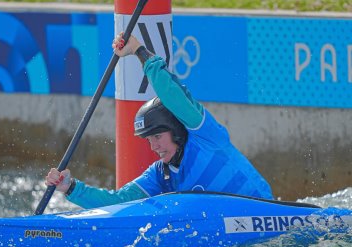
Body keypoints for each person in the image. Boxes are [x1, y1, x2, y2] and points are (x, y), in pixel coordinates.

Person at [45, 33, 274, 209]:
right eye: (148, 139)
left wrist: (137, 50)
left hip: (269, 216)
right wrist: (71, 188)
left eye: (157, 136)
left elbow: (171, 92)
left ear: (175, 130)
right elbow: (118, 202)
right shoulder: (160, 175)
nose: (153, 146)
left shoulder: (206, 137)